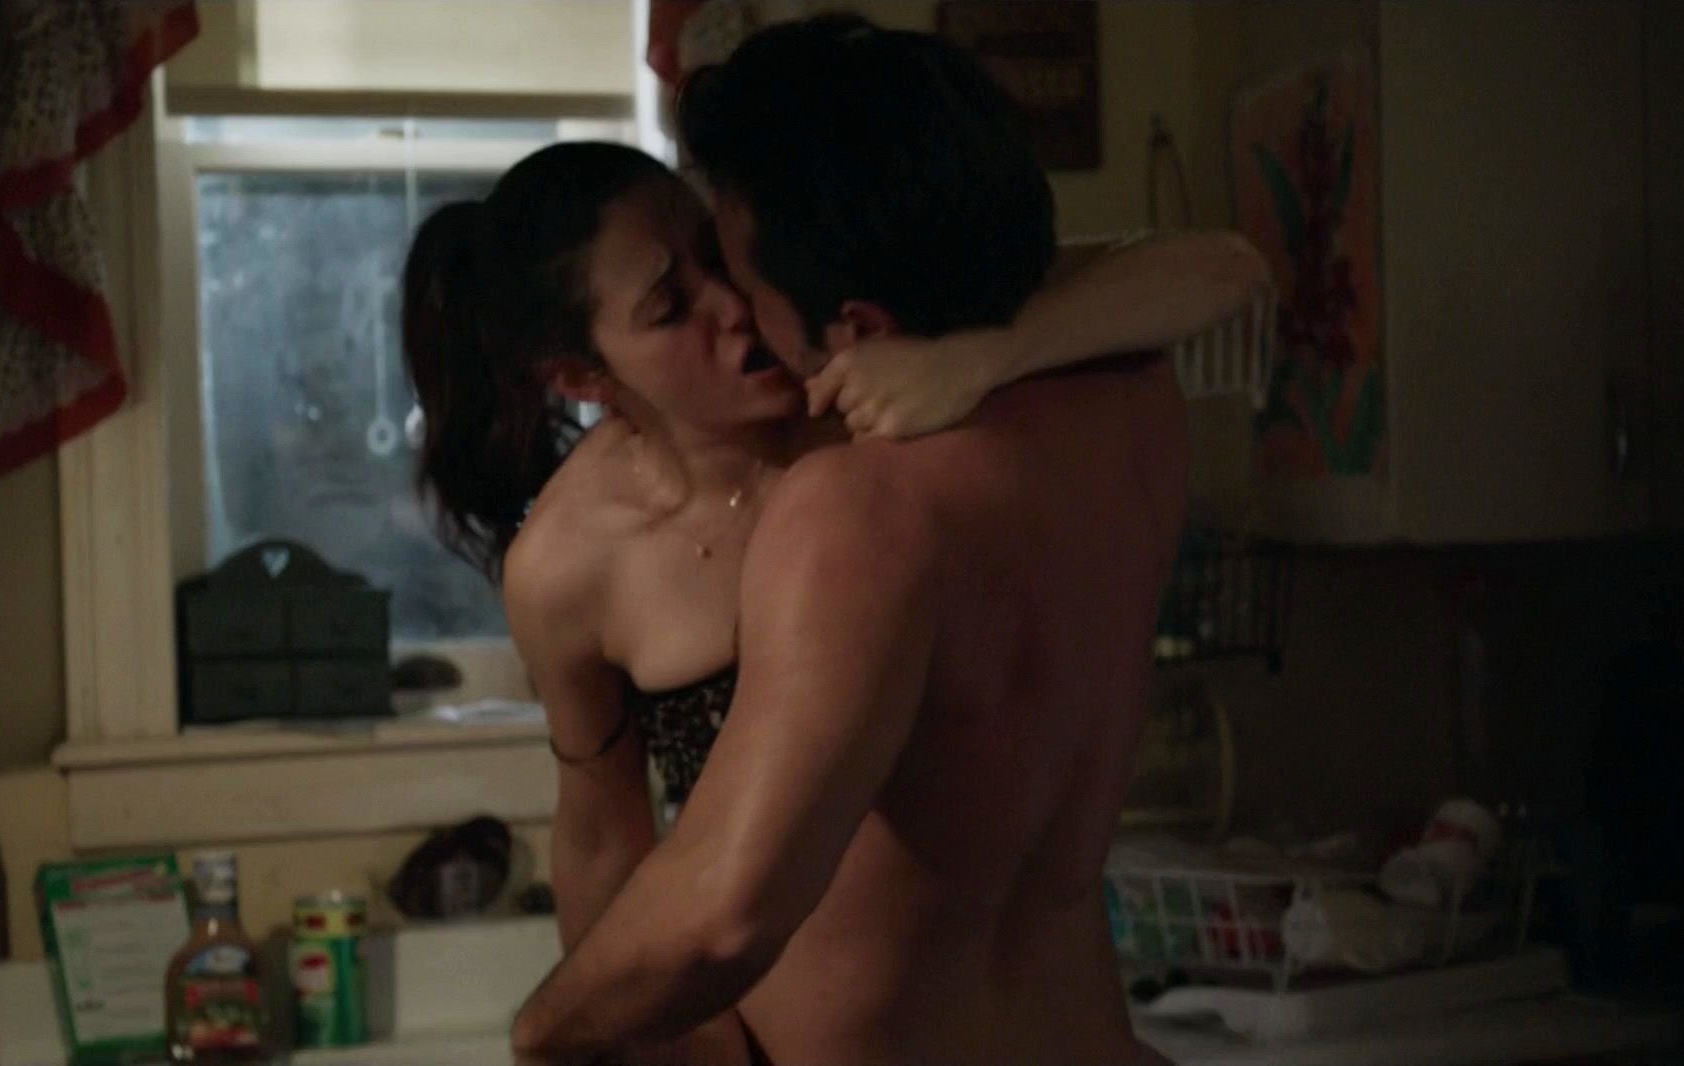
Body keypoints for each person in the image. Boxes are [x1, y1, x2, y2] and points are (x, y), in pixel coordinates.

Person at [508, 15, 1246, 1066]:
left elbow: (719, 917)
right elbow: (1205, 268)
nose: (736, 313)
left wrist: (541, 1035)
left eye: (739, 273)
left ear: (855, 325)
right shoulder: (1131, 394)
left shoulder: (857, 506)